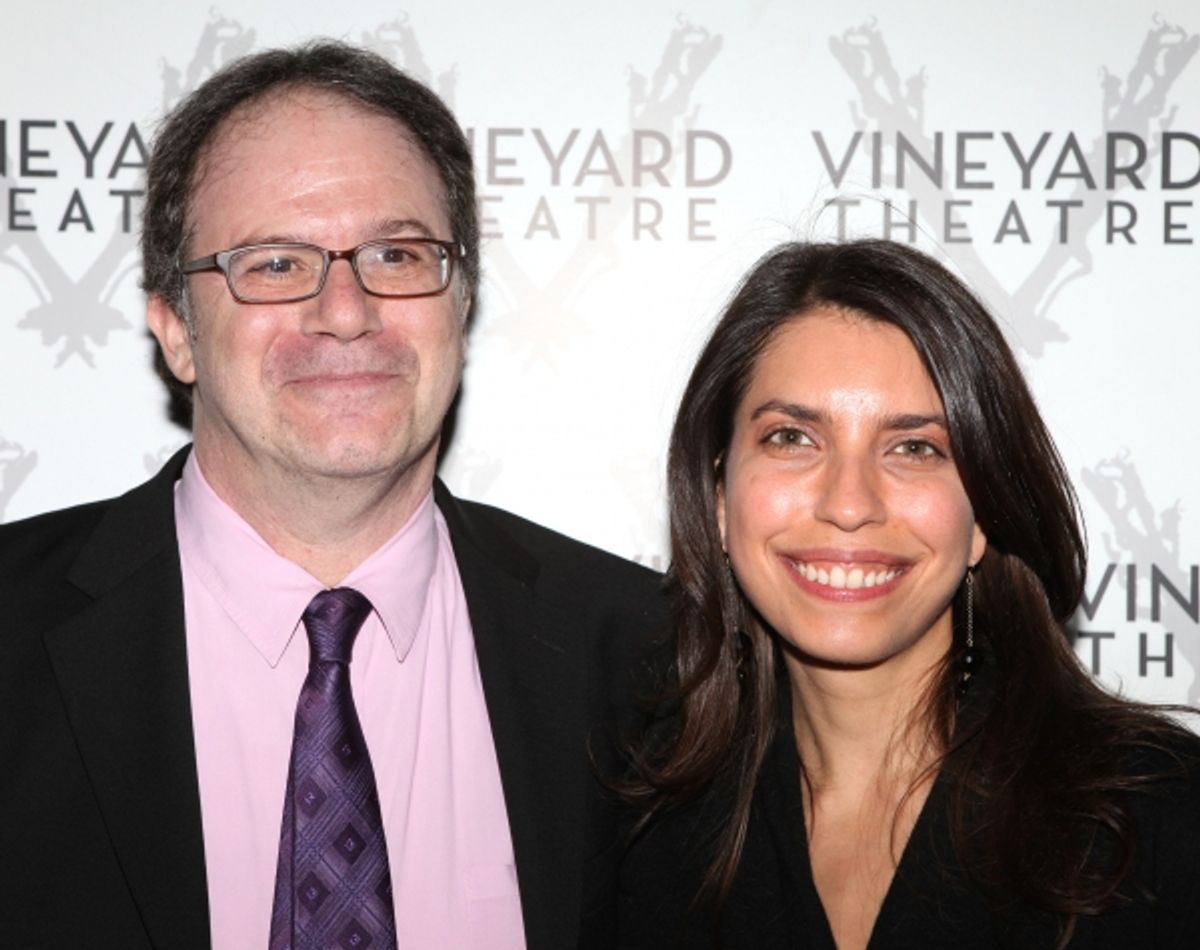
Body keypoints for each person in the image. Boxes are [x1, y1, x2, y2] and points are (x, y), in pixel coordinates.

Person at [0, 42, 663, 950]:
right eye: (274, 264)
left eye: (396, 253)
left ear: (460, 303)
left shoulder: (653, 660)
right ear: (176, 332)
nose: (346, 310)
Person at [617, 240, 1200, 949]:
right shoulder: (639, 833)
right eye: (793, 437)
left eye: (915, 447)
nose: (850, 502)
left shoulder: (1160, 822)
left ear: (983, 512)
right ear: (718, 497)